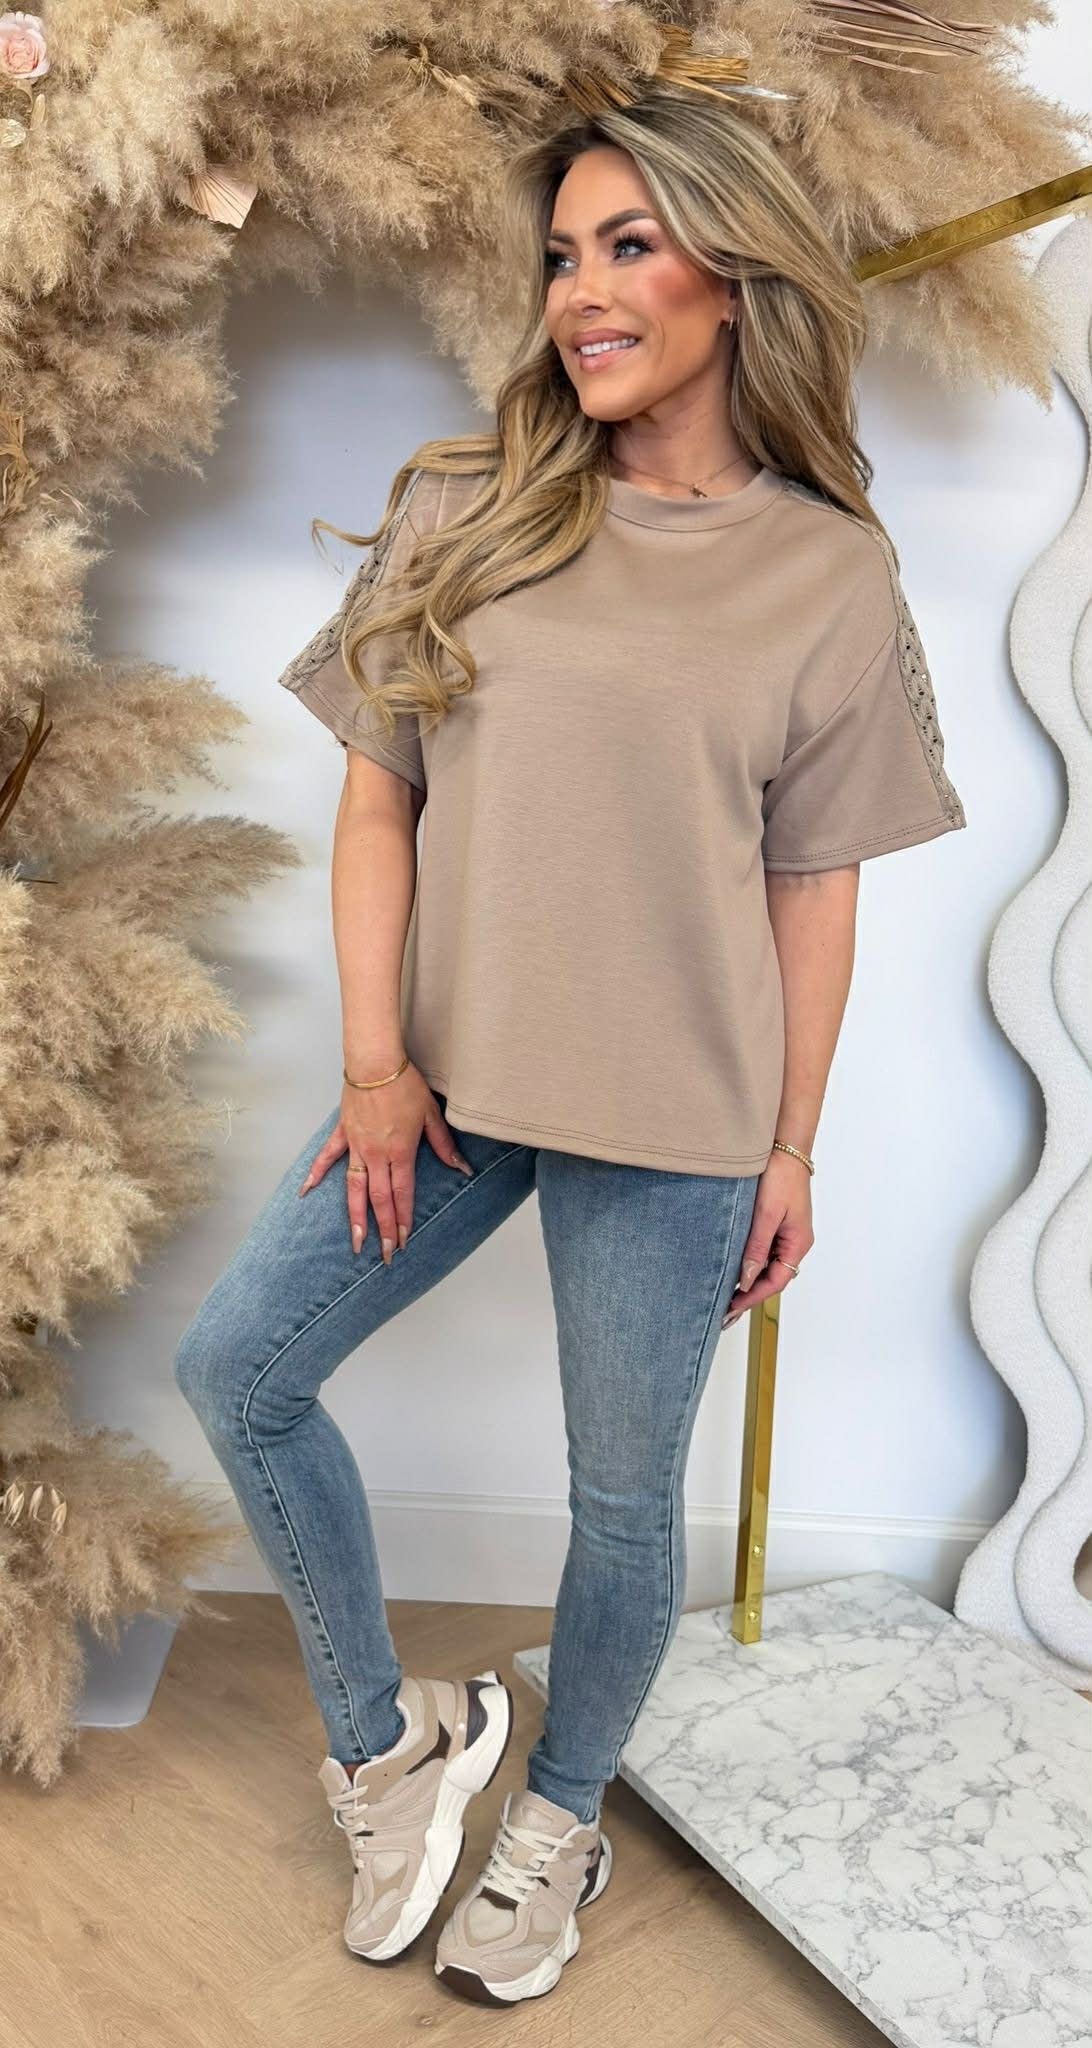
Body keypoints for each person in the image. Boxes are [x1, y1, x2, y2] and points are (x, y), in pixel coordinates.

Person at [174, 80, 966, 2009]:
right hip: (448, 1092)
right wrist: (378, 1066)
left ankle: (561, 1815)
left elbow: (814, 886)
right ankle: (394, 1751)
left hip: (682, 1116)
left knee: (622, 1504)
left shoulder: (830, 572)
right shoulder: (466, 505)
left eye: (628, 247)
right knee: (240, 1372)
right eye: (559, 256)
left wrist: (792, 1145)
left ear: (734, 277)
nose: (581, 294)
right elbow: (379, 799)